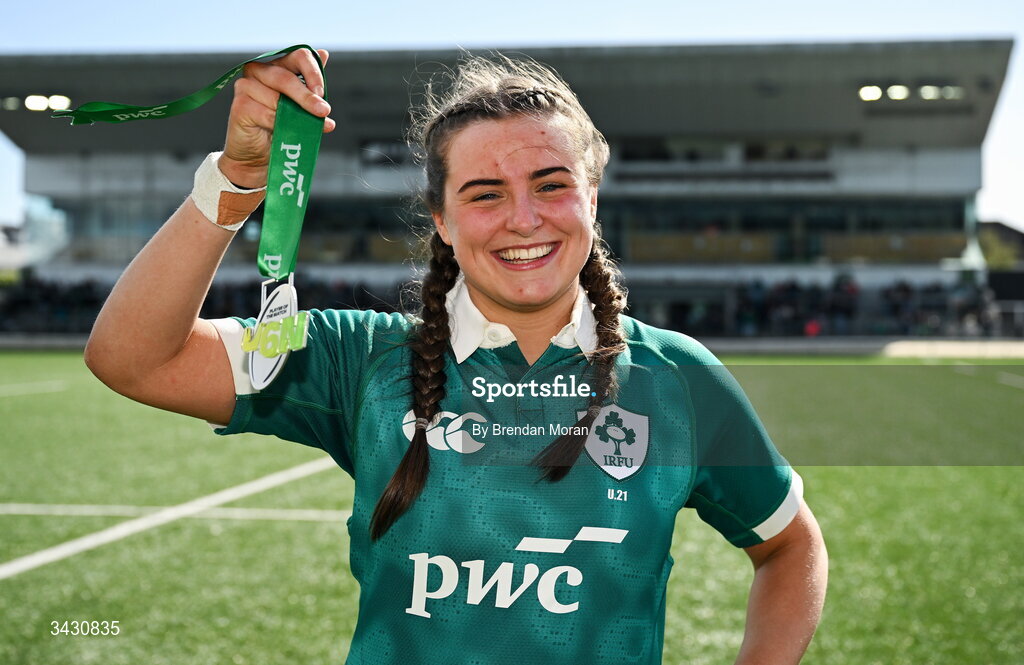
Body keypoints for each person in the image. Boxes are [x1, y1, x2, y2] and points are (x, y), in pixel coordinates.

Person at [85, 47, 827, 664]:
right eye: (484, 193)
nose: (524, 218)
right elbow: (133, 357)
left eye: (551, 184)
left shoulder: (679, 379)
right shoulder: (358, 358)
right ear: (441, 219)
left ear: (592, 197)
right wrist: (238, 179)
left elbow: (790, 546)